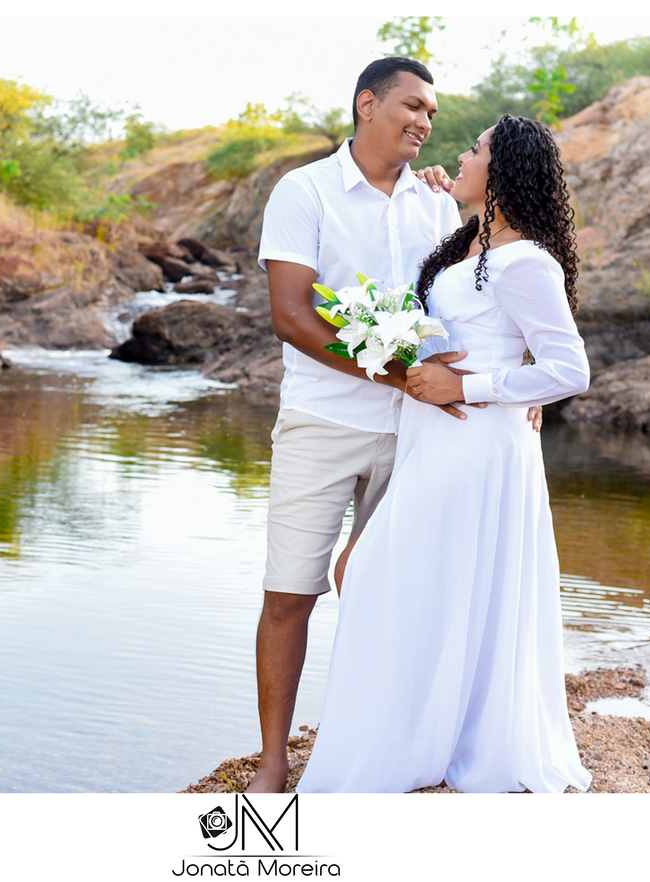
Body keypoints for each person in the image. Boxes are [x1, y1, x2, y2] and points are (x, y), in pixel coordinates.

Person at [249, 57, 539, 794]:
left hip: (422, 433)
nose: (425, 121)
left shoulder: (438, 203)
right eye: (413, 106)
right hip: (322, 420)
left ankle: (387, 741)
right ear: (367, 104)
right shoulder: (303, 191)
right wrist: (398, 375)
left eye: (433, 113)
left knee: (397, 586)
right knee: (291, 593)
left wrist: (525, 372)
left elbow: (492, 288)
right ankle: (274, 762)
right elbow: (292, 317)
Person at [296, 114, 593, 794]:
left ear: (504, 169)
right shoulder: (468, 245)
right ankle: (420, 729)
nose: (460, 154)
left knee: (388, 570)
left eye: (474, 149)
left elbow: (569, 369)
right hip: (434, 438)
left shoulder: (526, 260)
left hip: (477, 445)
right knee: (420, 579)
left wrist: (470, 386)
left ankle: (427, 740)